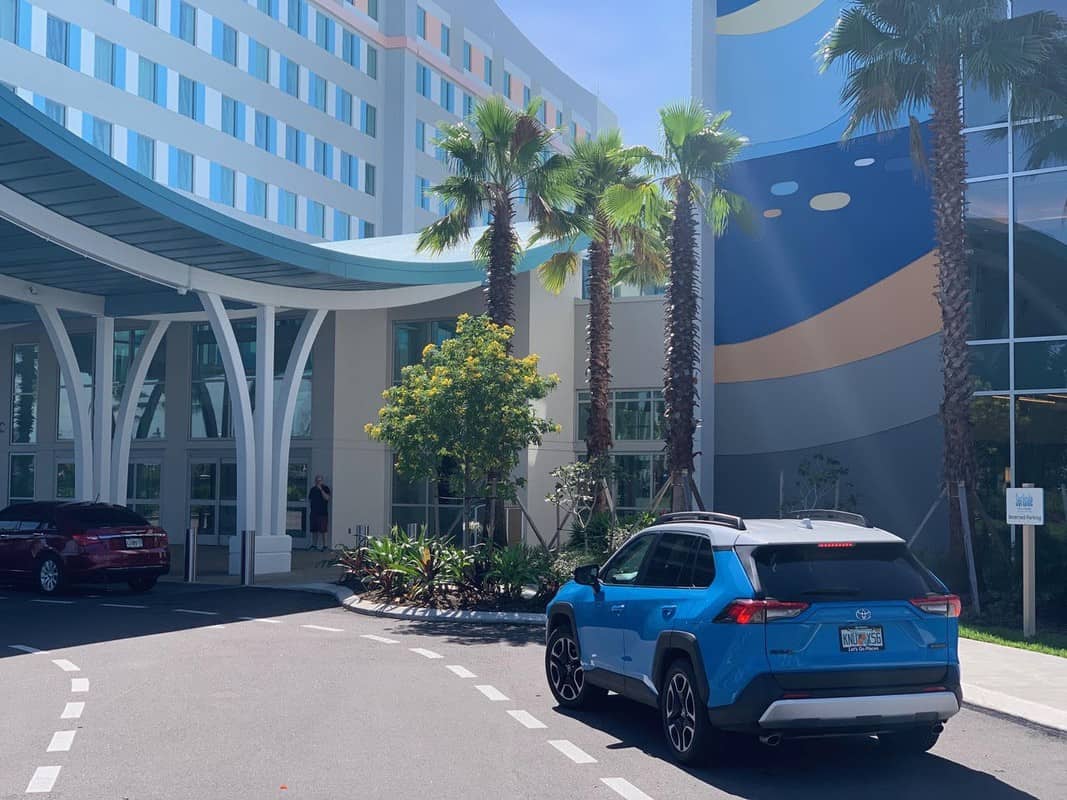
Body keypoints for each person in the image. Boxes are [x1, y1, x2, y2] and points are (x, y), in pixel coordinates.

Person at [308, 475, 331, 551]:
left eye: (320, 480)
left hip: (323, 513)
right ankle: (314, 545)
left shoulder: (326, 488)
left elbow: (327, 498)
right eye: (317, 481)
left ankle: (325, 546)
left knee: (323, 530)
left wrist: (321, 490)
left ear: (322, 481)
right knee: (314, 530)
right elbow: (310, 500)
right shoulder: (312, 490)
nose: (318, 482)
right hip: (314, 513)